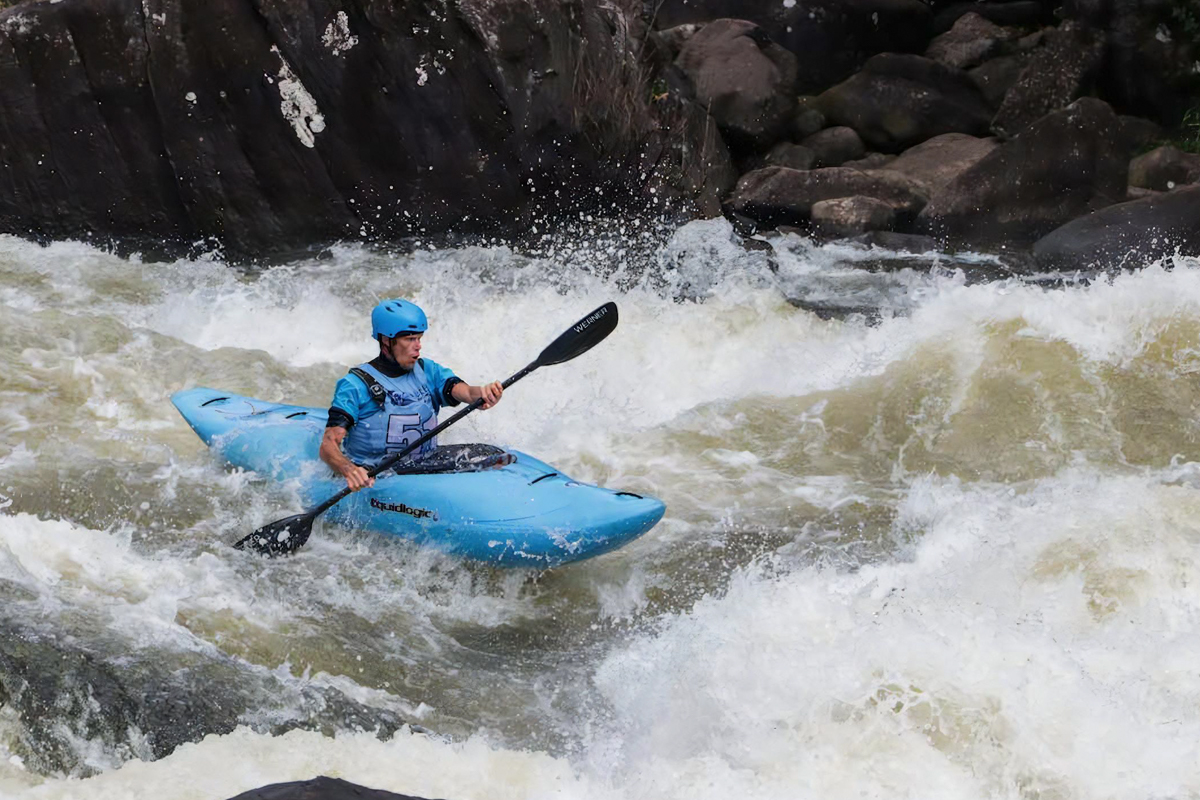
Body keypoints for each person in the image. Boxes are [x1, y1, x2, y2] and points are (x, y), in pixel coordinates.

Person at [320, 299, 503, 491]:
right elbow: (328, 445)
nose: (418, 346)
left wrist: (481, 393)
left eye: (419, 338)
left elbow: (464, 391)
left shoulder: (428, 371)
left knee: (491, 453)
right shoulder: (355, 385)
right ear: (386, 340)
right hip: (375, 474)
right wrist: (350, 470)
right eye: (409, 339)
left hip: (423, 463)